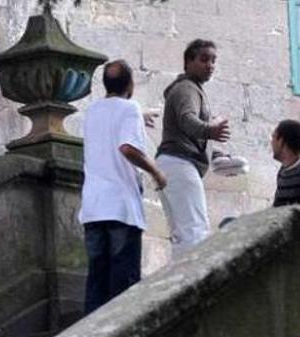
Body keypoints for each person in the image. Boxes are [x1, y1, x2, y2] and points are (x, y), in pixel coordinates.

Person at [80, 60, 168, 314]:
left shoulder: (93, 111)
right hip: (120, 208)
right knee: (123, 284)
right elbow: (127, 148)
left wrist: (138, 118)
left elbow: (108, 127)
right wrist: (156, 172)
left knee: (97, 280)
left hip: (93, 208)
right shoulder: (129, 108)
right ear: (130, 84)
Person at [157, 39, 231, 258]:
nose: (210, 65)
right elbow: (187, 120)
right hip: (180, 164)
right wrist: (211, 130)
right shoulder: (187, 88)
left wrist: (216, 153)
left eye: (213, 61)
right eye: (204, 59)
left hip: (169, 164)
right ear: (188, 62)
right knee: (195, 230)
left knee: (181, 234)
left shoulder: (185, 88)